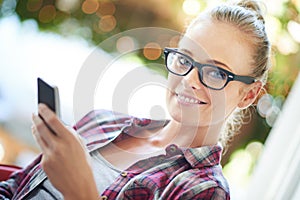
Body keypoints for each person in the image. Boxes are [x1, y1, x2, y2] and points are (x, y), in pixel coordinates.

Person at [0, 0, 271, 199]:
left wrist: (80, 191)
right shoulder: (101, 122)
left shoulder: (202, 190)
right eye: (185, 59)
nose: (189, 79)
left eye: (214, 72)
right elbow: (13, 187)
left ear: (249, 94)